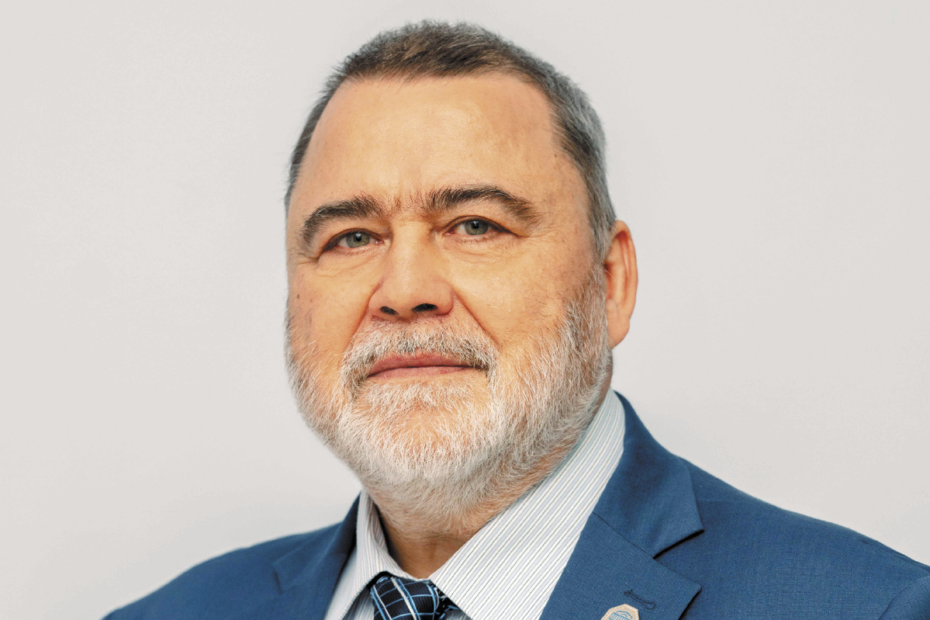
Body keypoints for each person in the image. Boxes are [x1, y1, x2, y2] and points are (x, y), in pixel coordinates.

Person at [104, 21, 930, 620]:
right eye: (351, 237)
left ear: (610, 282)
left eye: (476, 225)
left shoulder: (867, 608)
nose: (404, 290)